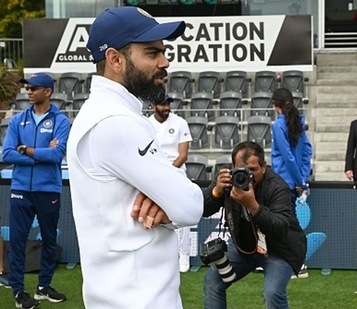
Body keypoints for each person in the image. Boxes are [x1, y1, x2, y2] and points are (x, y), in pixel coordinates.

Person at [66, 7, 203, 309]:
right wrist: (171, 199)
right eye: (152, 53)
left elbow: (178, 198)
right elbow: (191, 205)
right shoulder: (114, 121)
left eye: (163, 52)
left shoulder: (110, 114)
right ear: (115, 59)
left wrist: (166, 198)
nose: (165, 62)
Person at [202, 141, 306, 309]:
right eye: (240, 169)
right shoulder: (229, 180)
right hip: (245, 246)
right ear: (232, 166)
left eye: (252, 170)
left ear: (264, 167)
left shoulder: (277, 187)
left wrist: (253, 206)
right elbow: (203, 210)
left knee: (272, 293)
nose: (246, 175)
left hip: (279, 249)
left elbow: (280, 227)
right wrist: (216, 192)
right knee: (212, 282)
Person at [2, 73, 70, 308]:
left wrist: (26, 150)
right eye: (27, 88)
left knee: (49, 240)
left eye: (34, 88)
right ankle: (20, 293)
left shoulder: (60, 121)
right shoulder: (17, 120)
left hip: (48, 189)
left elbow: (57, 155)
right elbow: (6, 153)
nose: (29, 92)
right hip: (21, 188)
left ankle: (43, 287)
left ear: (47, 91)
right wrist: (37, 155)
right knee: (18, 241)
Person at [148, 94, 193, 273]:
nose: (166, 107)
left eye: (168, 104)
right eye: (162, 104)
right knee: (155, 214)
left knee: (182, 214)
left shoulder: (180, 122)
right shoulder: (146, 124)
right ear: (153, 106)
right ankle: (158, 254)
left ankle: (184, 255)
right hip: (153, 174)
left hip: (177, 174)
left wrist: (169, 173)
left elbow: (183, 155)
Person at [271, 88, 313, 202]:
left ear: (275, 104)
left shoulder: (278, 126)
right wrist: (302, 180)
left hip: (282, 184)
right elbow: (307, 152)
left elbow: (288, 157)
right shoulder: (299, 122)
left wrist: (300, 181)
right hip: (296, 184)